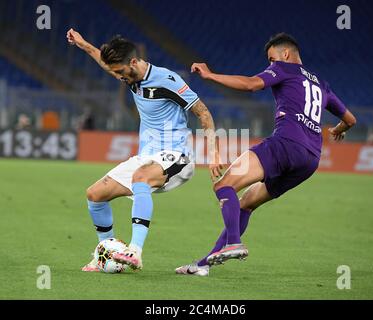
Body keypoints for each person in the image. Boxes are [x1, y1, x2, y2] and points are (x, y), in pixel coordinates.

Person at [176, 33, 357, 276]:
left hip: (285, 144)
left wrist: (210, 75)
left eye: (272, 59)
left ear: (285, 54)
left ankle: (233, 242)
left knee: (224, 184)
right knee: (247, 204)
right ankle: (203, 265)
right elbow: (350, 120)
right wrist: (337, 129)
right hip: (310, 159)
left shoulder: (285, 68)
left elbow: (251, 85)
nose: (271, 65)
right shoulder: (321, 83)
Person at [66, 29, 222, 272]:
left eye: (120, 72)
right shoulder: (127, 74)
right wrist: (83, 44)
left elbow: (203, 113)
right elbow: (106, 63)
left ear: (134, 62)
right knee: (95, 195)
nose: (118, 76)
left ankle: (135, 252)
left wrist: (213, 155)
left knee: (140, 177)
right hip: (146, 156)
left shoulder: (166, 80)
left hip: (177, 156)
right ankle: (105, 252)